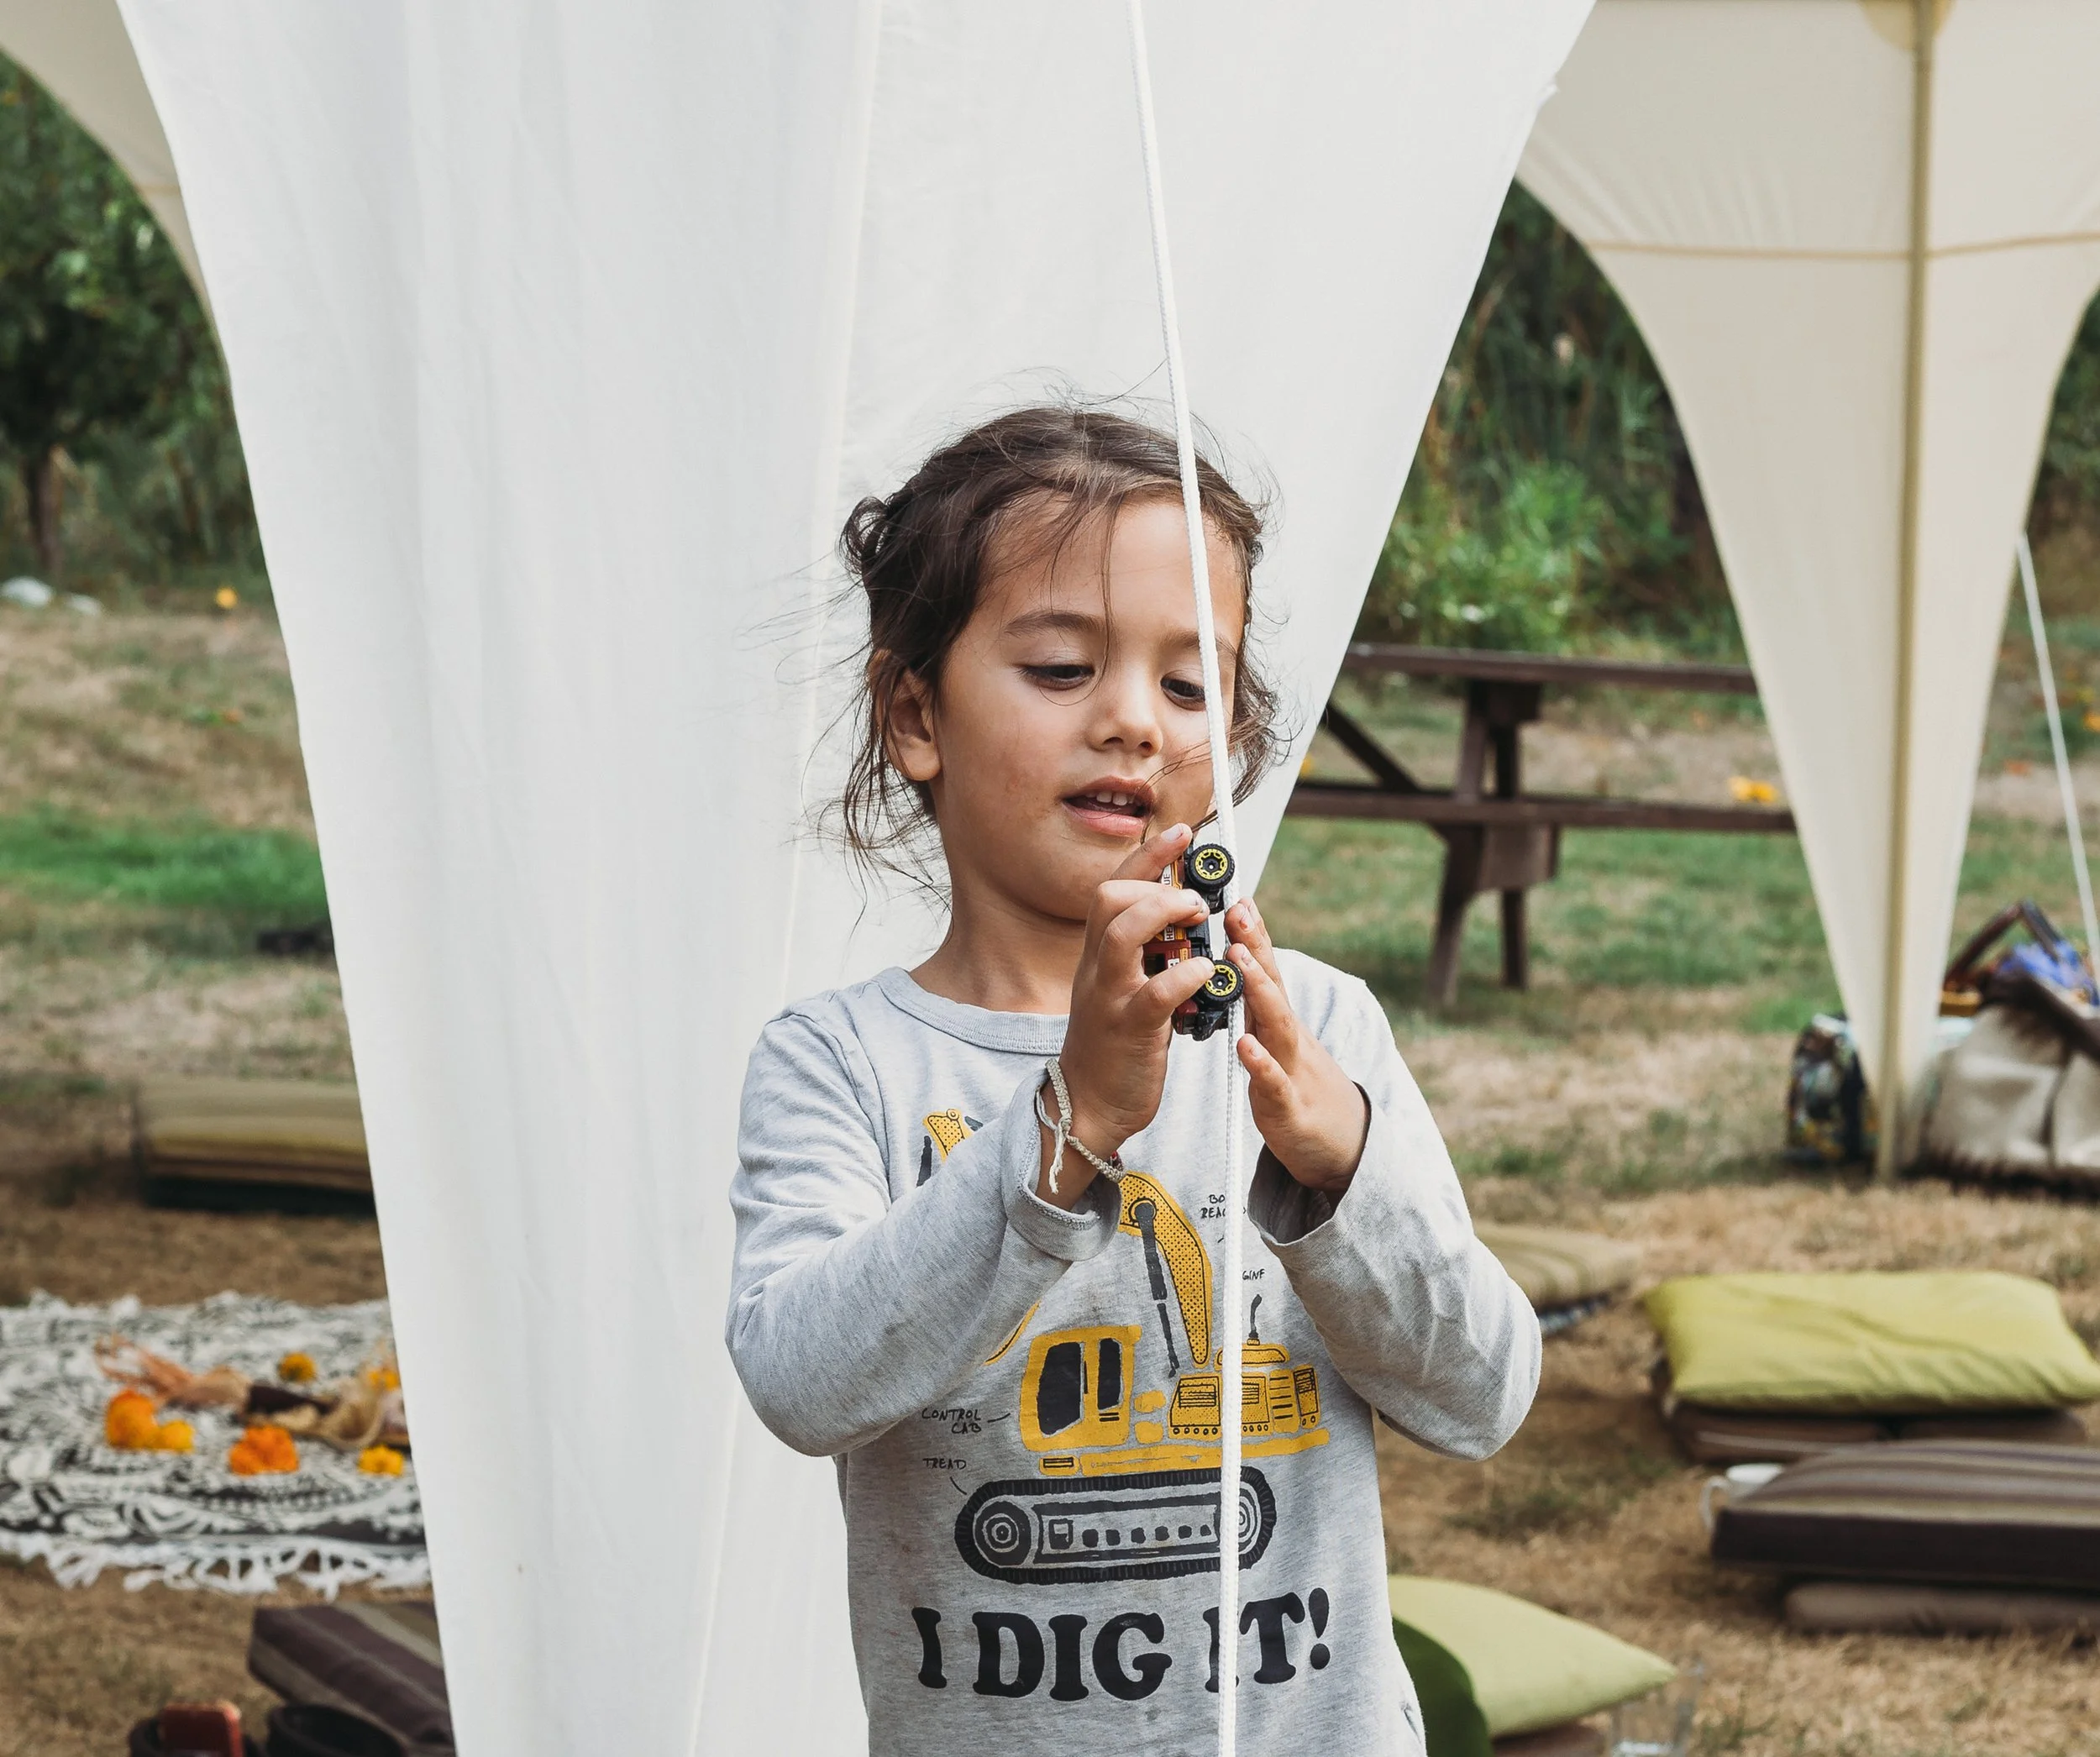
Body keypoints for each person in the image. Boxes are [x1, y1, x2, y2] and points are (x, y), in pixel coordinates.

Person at [727, 406, 1539, 1755]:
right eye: (1061, 667)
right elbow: (803, 1382)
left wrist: (1343, 1166)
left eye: (1190, 685)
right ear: (915, 714)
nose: (1133, 723)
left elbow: (1481, 1396)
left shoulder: (1315, 1029)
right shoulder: (841, 1064)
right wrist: (1069, 1126)